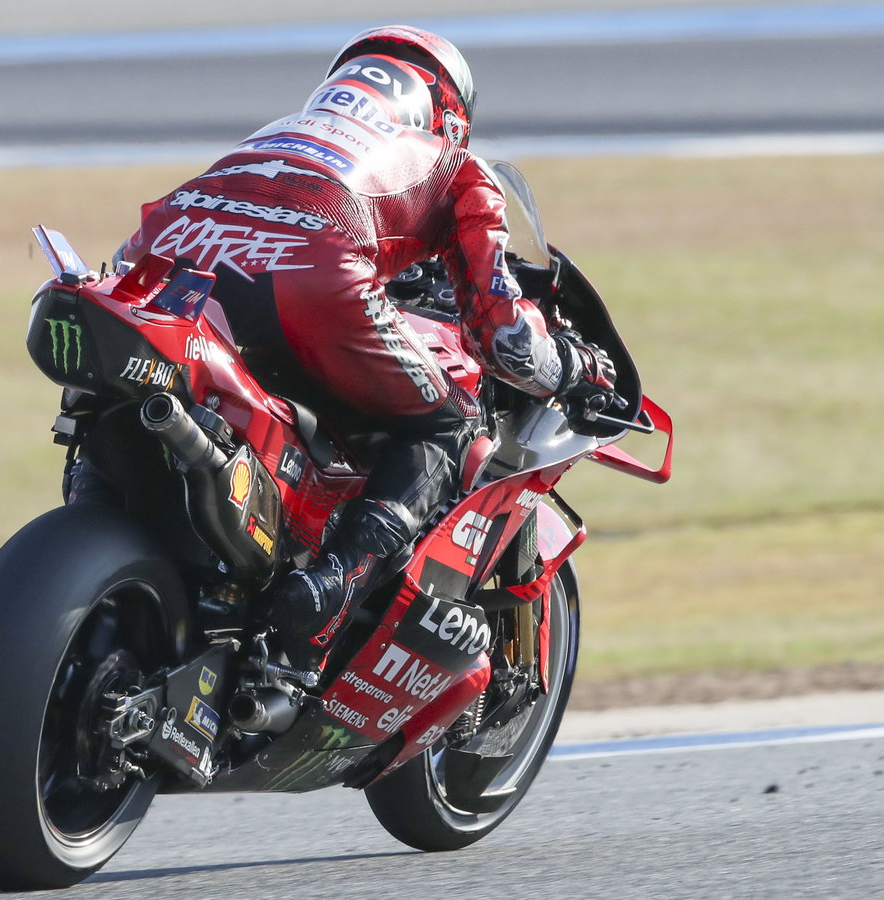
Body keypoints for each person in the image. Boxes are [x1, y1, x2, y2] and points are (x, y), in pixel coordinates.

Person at [116, 26, 616, 670]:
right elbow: (508, 342)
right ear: (449, 114)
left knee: (136, 398)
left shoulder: (279, 133)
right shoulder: (455, 166)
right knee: (448, 422)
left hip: (161, 261)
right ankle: (331, 589)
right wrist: (577, 366)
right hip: (311, 277)